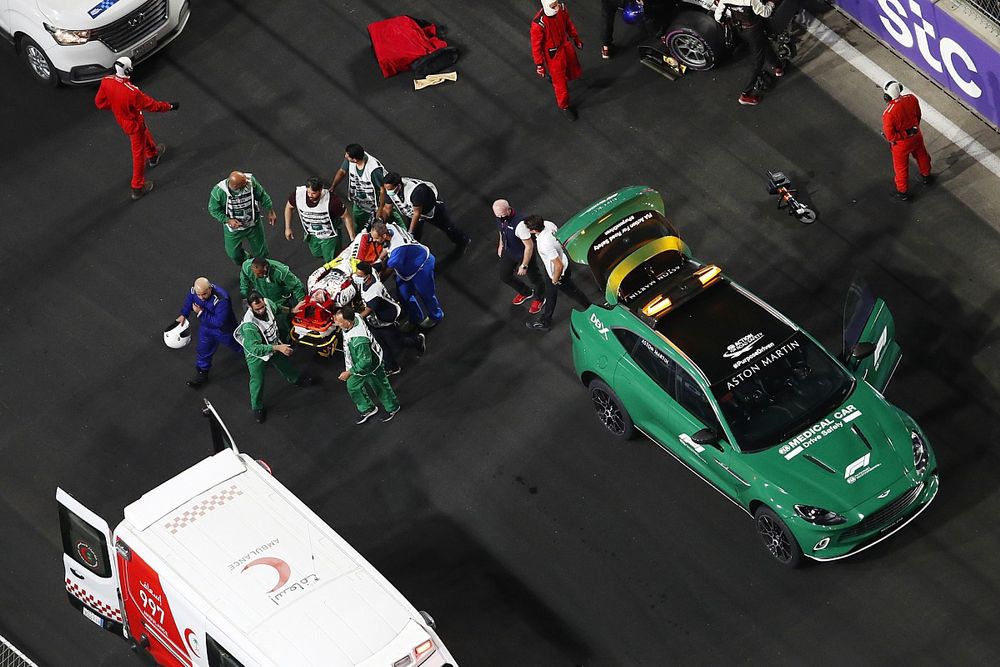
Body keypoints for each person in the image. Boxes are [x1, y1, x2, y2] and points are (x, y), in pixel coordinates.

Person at [93, 56, 178, 201]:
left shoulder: (106, 81)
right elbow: (153, 105)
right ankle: (137, 187)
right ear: (129, 70)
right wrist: (169, 106)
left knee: (144, 133)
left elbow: (100, 103)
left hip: (123, 120)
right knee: (138, 154)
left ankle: (152, 155)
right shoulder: (132, 92)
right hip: (134, 124)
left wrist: (117, 108)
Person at [234, 292, 314, 423]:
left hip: (272, 343)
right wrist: (277, 347)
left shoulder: (268, 303)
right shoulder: (249, 326)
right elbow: (255, 348)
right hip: (255, 354)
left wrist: (292, 310)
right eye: (257, 309)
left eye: (262, 306)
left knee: (284, 364)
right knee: (257, 380)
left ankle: (296, 379)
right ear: (250, 307)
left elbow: (277, 308)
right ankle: (257, 407)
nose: (261, 310)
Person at [354, 261, 427, 375]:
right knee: (380, 343)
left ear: (367, 276)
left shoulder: (373, 292)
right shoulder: (371, 271)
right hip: (376, 318)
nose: (356, 277)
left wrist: (353, 319)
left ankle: (416, 341)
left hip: (384, 319)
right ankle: (391, 366)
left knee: (396, 341)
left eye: (359, 276)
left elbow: (368, 311)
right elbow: (380, 265)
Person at [370, 220, 443, 329]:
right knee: (404, 294)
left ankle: (436, 316)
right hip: (407, 268)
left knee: (426, 294)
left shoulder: (398, 250)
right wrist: (379, 260)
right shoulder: (390, 227)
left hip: (421, 267)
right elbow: (386, 248)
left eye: (376, 238)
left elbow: (389, 268)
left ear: (384, 235)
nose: (374, 241)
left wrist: (376, 277)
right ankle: (416, 318)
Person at [522, 215, 591, 331]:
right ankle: (545, 320)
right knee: (551, 293)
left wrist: (555, 279)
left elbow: (559, 265)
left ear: (533, 230)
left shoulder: (545, 243)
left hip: (558, 272)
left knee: (573, 292)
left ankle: (591, 308)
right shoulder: (549, 224)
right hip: (554, 267)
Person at [334, 306, 400, 424]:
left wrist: (349, 372)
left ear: (348, 323)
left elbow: (365, 361)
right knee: (352, 386)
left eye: (339, 321)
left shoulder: (359, 340)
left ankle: (392, 407)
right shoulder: (356, 317)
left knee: (380, 387)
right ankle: (368, 408)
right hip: (356, 363)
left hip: (371, 366)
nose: (336, 322)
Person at [379, 171, 471, 252]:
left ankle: (463, 241)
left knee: (448, 227)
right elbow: (387, 208)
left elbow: (417, 213)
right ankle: (415, 248)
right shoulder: (390, 189)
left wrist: (410, 232)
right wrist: (380, 220)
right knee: (414, 234)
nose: (388, 191)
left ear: (399, 186)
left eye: (390, 189)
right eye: (387, 189)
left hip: (431, 208)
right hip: (411, 210)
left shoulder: (415, 192)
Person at [176, 277, 243, 388]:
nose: (201, 298)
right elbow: (190, 300)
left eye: (204, 294)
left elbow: (219, 322)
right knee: (203, 350)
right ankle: (202, 373)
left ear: (210, 288)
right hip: (206, 328)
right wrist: (184, 314)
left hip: (225, 330)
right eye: (199, 295)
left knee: (241, 347)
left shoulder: (222, 299)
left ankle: (258, 356)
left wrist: (201, 313)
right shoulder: (194, 291)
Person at [714, 0, 781, 106]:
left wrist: (728, 21)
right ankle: (745, 95)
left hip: (741, 30)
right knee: (758, 62)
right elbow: (765, 13)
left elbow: (718, 16)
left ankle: (778, 66)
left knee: (764, 44)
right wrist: (771, 3)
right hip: (754, 30)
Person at [208, 171, 278, 265]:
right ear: (237, 187)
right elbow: (213, 210)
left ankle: (261, 267)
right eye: (244, 184)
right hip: (234, 228)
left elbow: (262, 195)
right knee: (233, 254)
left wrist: (270, 210)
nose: (247, 184)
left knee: (261, 252)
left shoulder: (250, 181)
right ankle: (248, 263)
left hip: (253, 223)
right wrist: (228, 220)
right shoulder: (219, 192)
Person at [531, 0, 584, 121]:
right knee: (560, 84)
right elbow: (536, 47)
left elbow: (568, 24)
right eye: (553, 5)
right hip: (554, 55)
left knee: (573, 68)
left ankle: (554, 76)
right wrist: (539, 65)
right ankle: (564, 106)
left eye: (557, 3)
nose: (557, 7)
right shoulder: (539, 24)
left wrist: (575, 38)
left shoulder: (562, 9)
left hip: (565, 46)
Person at [330, 144, 402, 230]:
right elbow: (342, 171)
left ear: (355, 160)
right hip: (360, 203)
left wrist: (380, 209)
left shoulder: (374, 171)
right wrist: (333, 187)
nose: (345, 156)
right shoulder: (353, 159)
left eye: (347, 156)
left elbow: (382, 190)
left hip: (375, 204)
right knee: (360, 227)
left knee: (391, 224)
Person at [881, 80, 933, 201]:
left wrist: (905, 134)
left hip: (901, 145)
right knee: (922, 156)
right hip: (916, 135)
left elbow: (890, 137)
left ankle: (903, 192)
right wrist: (913, 130)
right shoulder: (911, 98)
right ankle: (927, 175)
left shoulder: (888, 114)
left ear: (886, 96)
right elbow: (918, 115)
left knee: (901, 168)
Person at [492, 199, 545, 314]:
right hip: (509, 251)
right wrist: (501, 244)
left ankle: (541, 298)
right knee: (504, 276)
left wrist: (524, 265)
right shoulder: (500, 217)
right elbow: (502, 230)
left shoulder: (521, 224)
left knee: (535, 278)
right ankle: (526, 292)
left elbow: (529, 246)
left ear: (509, 209)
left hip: (524, 254)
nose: (500, 217)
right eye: (497, 215)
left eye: (502, 215)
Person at [284, 177, 356, 262]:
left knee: (331, 262)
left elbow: (346, 217)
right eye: (308, 192)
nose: (310, 195)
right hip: (312, 233)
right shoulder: (298, 195)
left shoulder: (332, 201)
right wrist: (287, 227)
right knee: (316, 253)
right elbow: (289, 207)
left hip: (329, 235)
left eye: (313, 193)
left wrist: (353, 239)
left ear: (321, 190)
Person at [239, 257, 306, 334]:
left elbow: (297, 286)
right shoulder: (247, 266)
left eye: (259, 274)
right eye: (254, 273)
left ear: (265, 268)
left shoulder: (281, 272)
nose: (256, 276)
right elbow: (244, 279)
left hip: (282, 301)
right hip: (264, 300)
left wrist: (302, 303)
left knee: (286, 326)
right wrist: (245, 296)